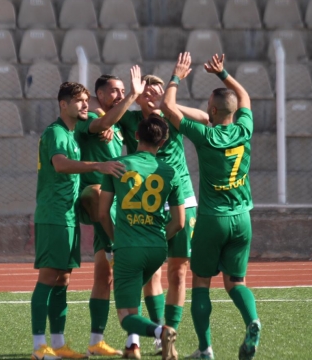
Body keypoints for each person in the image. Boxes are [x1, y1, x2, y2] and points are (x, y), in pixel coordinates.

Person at [91, 75, 209, 354]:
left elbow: (205, 117)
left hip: (180, 199)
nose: (152, 97)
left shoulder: (172, 116)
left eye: (157, 93)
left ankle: (165, 333)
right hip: (148, 203)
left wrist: (171, 104)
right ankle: (153, 335)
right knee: (150, 272)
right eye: (147, 93)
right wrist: (108, 113)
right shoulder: (131, 120)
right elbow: (103, 115)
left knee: (178, 272)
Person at [161, 53, 262, 360]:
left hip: (212, 219)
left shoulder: (205, 135)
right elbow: (243, 95)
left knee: (201, 282)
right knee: (236, 282)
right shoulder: (245, 129)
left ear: (213, 110)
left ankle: (205, 349)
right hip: (243, 218)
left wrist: (177, 76)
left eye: (208, 104)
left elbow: (167, 108)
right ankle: (252, 321)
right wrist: (223, 74)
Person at [31, 82, 126, 360]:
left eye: (86, 100)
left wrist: (104, 124)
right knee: (48, 278)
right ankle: (39, 347)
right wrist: (98, 166)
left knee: (63, 279)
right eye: (79, 101)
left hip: (68, 215)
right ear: (63, 104)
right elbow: (60, 164)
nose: (85, 105)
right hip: (54, 215)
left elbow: (98, 123)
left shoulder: (73, 134)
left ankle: (58, 345)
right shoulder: (56, 132)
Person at [99, 115, 185, 360]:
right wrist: (158, 237)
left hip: (129, 246)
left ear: (136, 136)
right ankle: (132, 348)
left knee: (125, 317)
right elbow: (178, 222)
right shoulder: (170, 171)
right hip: (157, 248)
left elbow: (102, 213)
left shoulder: (117, 164)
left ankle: (162, 331)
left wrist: (117, 240)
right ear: (164, 141)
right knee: (135, 292)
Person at [74, 67, 145, 357]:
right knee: (96, 192)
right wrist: (132, 95)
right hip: (97, 198)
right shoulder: (90, 118)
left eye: (121, 90)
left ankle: (96, 341)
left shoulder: (114, 126)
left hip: (118, 202)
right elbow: (101, 121)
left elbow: (116, 125)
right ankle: (136, 339)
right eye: (113, 90)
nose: (118, 95)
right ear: (98, 95)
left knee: (104, 276)